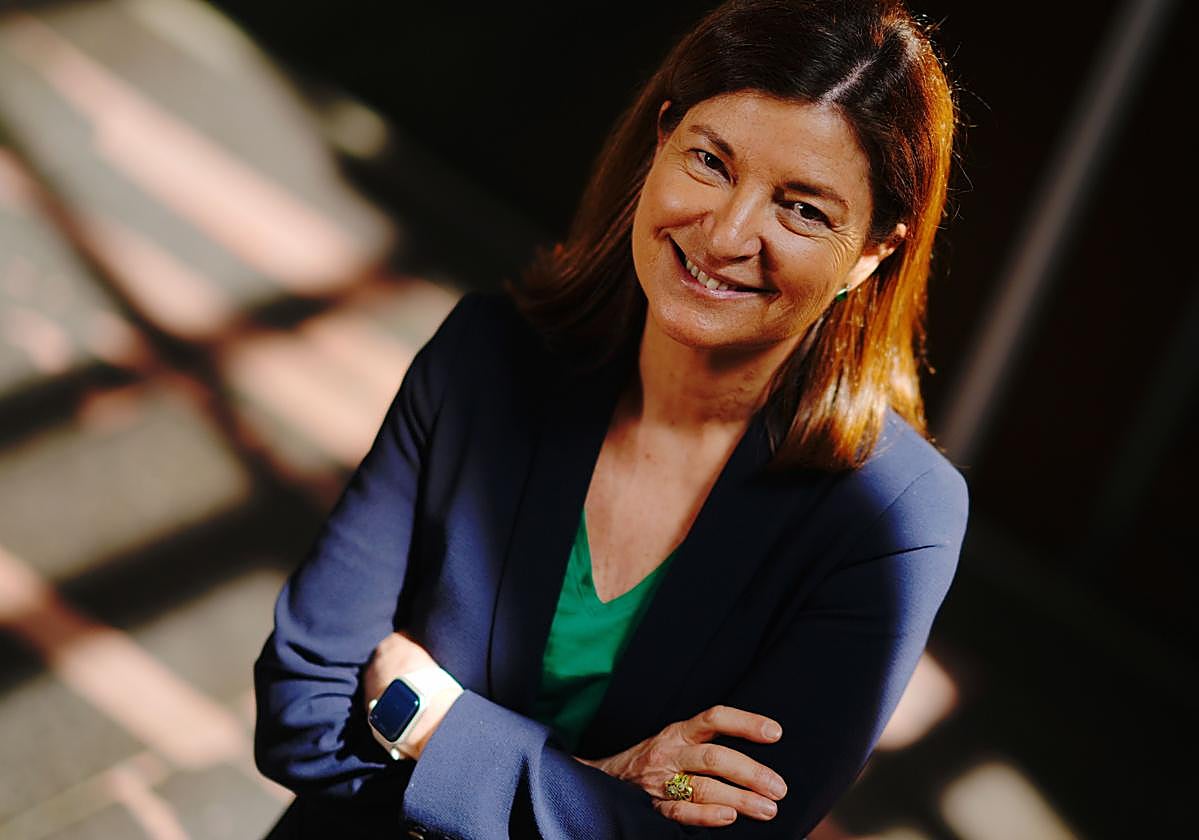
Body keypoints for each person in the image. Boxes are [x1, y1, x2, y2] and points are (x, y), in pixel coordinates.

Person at [253, 0, 967, 837]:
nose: (727, 234)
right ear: (661, 140)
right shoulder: (487, 355)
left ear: (872, 252)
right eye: (710, 161)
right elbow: (300, 709)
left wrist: (429, 725)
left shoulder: (893, 518)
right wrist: (600, 788)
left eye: (802, 209)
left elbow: (732, 834)